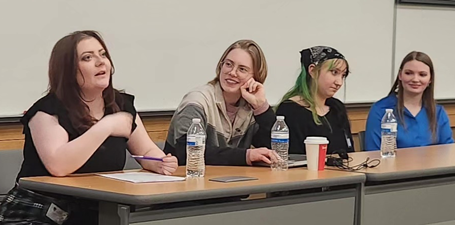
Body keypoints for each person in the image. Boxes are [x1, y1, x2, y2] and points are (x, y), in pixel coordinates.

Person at [0, 30, 178, 225]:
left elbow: (145, 151)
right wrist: (106, 126)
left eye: (103, 54)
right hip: (42, 211)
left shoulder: (120, 105)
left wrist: (160, 162)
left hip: (99, 209)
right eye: (87, 57)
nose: (101, 62)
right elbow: (58, 166)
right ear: (68, 70)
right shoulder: (47, 110)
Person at [164, 39, 277, 166]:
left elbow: (275, 149)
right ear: (220, 66)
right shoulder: (197, 101)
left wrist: (260, 106)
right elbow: (187, 152)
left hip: (231, 180)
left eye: (242, 69)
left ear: (256, 76)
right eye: (228, 64)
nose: (232, 73)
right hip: (187, 179)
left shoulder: (249, 105)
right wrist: (245, 156)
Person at [365, 51, 453, 150]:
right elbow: (373, 153)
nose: (415, 79)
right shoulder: (380, 110)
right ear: (400, 75)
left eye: (422, 75)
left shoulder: (438, 112)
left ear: (430, 79)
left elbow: (448, 151)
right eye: (408, 73)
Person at [276, 46, 354, 155]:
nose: (339, 82)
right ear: (312, 71)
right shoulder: (290, 110)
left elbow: (349, 152)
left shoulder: (337, 108)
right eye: (334, 72)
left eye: (343, 75)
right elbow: (291, 157)